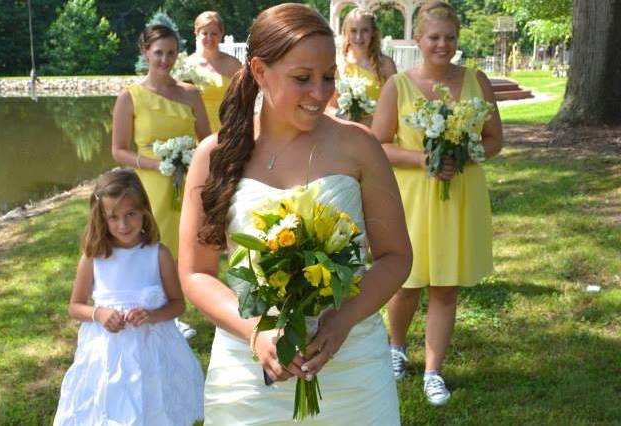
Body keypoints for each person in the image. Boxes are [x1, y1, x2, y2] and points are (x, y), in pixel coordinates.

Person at [178, 4, 412, 425]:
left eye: (328, 77)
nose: (320, 93)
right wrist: (255, 330)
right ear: (259, 71)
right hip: (248, 374)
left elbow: (396, 256)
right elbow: (195, 272)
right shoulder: (214, 155)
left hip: (353, 366)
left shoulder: (358, 146)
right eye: (302, 78)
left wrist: (342, 321)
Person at [371, 0, 503, 407]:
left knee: (446, 287)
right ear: (418, 39)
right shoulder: (400, 85)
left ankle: (434, 371)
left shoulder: (477, 80)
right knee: (406, 282)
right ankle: (395, 350)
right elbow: (378, 143)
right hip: (413, 196)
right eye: (434, 37)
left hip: (460, 196)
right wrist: (424, 159)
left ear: (457, 39)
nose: (442, 45)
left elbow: (495, 140)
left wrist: (464, 153)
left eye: (449, 38)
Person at [53, 169, 204, 425]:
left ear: (144, 210)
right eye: (113, 217)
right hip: (107, 355)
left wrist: (153, 314)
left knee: (153, 406)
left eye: (130, 214)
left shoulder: (159, 254)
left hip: (152, 352)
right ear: (102, 217)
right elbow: (75, 306)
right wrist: (98, 314)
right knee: (109, 408)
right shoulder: (94, 258)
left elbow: (178, 304)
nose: (123, 225)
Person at [112, 24, 210, 339]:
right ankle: (146, 309)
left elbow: (208, 141)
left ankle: (174, 308)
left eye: (171, 53)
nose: (165, 60)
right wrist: (156, 164)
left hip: (188, 184)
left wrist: (195, 164)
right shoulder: (130, 97)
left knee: (184, 246)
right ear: (145, 53)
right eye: (158, 53)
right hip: (149, 187)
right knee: (152, 246)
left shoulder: (191, 94)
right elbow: (119, 151)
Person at [331, 7, 397, 126]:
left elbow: (396, 106)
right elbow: (330, 107)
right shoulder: (339, 65)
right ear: (346, 32)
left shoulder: (386, 65)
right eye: (353, 30)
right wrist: (345, 116)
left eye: (365, 30)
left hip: (376, 132)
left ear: (373, 32)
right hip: (345, 132)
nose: (358, 37)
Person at [185, 11, 242, 133]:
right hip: (195, 131)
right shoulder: (187, 65)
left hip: (227, 129)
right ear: (196, 33)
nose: (209, 38)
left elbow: (243, 100)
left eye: (214, 33)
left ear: (221, 34)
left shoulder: (233, 64)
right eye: (204, 33)